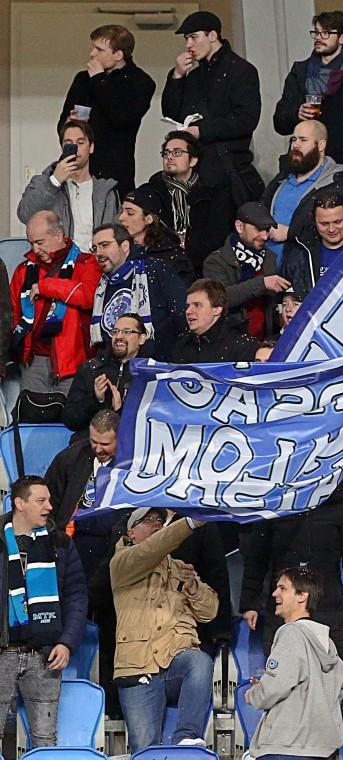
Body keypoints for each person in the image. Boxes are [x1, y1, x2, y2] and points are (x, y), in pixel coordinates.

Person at [110, 508, 218, 751]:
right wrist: (189, 523)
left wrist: (193, 587)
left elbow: (209, 612)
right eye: (148, 520)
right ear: (131, 533)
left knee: (199, 662)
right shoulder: (122, 563)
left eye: (159, 520)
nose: (156, 524)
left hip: (175, 660)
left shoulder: (180, 568)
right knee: (144, 749)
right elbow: (152, 549)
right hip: (138, 667)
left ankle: (186, 736)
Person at [0, 476, 88, 749]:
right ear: (19, 503)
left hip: (44, 655)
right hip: (2, 651)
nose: (49, 506)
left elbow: (76, 595)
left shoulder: (60, 542)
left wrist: (67, 642)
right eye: (41, 501)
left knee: (45, 741)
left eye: (49, 500)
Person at [239, 491, 343, 658]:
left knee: (328, 666)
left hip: (329, 605)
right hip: (283, 607)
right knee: (282, 666)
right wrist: (249, 603)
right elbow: (257, 557)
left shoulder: (339, 507)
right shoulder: (275, 503)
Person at [245, 566, 343, 760]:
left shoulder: (290, 633)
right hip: (323, 749)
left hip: (285, 747)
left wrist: (254, 694)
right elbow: (338, 690)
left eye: (282, 588)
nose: (275, 593)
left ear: (302, 596)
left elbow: (274, 688)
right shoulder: (328, 643)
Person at [163, 11, 264, 204]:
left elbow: (246, 119)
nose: (188, 45)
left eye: (194, 37)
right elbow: (171, 112)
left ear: (212, 35)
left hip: (228, 169)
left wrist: (201, 131)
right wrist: (177, 76)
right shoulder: (194, 76)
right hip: (196, 170)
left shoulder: (241, 70)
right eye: (186, 39)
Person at [274, 10, 343, 173]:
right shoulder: (300, 72)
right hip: (307, 163)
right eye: (316, 32)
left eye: (325, 33)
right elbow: (279, 123)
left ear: (342, 38)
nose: (318, 38)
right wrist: (297, 114)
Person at [10, 211, 102, 395]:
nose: (35, 249)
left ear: (59, 235)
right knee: (30, 413)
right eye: (31, 243)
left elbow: (88, 296)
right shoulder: (23, 270)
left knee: (70, 414)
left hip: (73, 362)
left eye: (40, 242)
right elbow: (13, 315)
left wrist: (46, 286)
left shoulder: (87, 263)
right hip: (33, 362)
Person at [59, 24, 156, 192]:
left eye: (99, 50)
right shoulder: (82, 79)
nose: (92, 54)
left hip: (114, 172)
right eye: (93, 48)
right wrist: (70, 123)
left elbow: (122, 119)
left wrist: (99, 80)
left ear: (118, 55)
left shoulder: (141, 82)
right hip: (77, 168)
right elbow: (62, 123)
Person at [47, 409, 128, 579]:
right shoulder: (70, 457)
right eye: (93, 441)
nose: (98, 449)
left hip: (109, 543)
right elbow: (50, 498)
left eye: (105, 444)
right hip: (66, 540)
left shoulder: (131, 465)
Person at [18, 120, 121, 251]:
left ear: (91, 147)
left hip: (96, 260)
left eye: (80, 142)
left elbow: (118, 234)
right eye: (69, 143)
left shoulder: (107, 191)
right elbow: (25, 215)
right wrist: (54, 182)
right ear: (62, 148)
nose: (75, 148)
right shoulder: (43, 182)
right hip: (58, 260)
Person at [89, 221, 186, 360]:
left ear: (124, 246)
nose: (98, 253)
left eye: (105, 245)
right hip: (115, 366)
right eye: (94, 248)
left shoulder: (155, 269)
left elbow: (180, 315)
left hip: (156, 363)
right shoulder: (103, 284)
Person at [147, 130, 237, 274]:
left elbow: (218, 237)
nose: (170, 157)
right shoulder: (151, 192)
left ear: (193, 160)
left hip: (200, 269)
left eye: (177, 153)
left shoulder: (213, 193)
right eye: (166, 153)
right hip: (160, 268)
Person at [264, 120, 343, 258]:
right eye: (294, 139)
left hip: (305, 264)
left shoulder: (336, 182)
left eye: (303, 140)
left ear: (321, 145)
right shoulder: (282, 179)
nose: (296, 145)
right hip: (268, 263)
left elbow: (336, 229)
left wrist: (290, 233)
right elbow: (262, 208)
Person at [202, 201, 287, 341]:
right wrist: (262, 284)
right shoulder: (216, 262)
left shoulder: (269, 258)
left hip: (264, 341)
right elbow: (221, 299)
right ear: (240, 227)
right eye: (259, 229)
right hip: (230, 341)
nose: (265, 236)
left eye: (267, 230)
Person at [63, 314, 145, 431]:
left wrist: (120, 411)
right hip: (89, 439)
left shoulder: (149, 375)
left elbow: (152, 424)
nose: (119, 336)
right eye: (115, 331)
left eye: (126, 332)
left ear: (141, 339)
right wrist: (95, 400)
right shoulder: (90, 369)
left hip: (130, 439)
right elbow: (70, 420)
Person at [280, 187, 343, 295]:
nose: (331, 229)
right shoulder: (301, 252)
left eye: (337, 222)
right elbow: (286, 290)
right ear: (315, 222)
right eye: (324, 224)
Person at [170, 279, 267, 363]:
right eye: (187, 306)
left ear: (217, 309)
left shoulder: (242, 346)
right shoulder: (181, 345)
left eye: (197, 305)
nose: (188, 311)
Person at [117, 184, 195, 283]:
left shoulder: (174, 259)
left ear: (149, 219)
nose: (121, 218)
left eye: (130, 213)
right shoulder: (118, 250)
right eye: (122, 212)